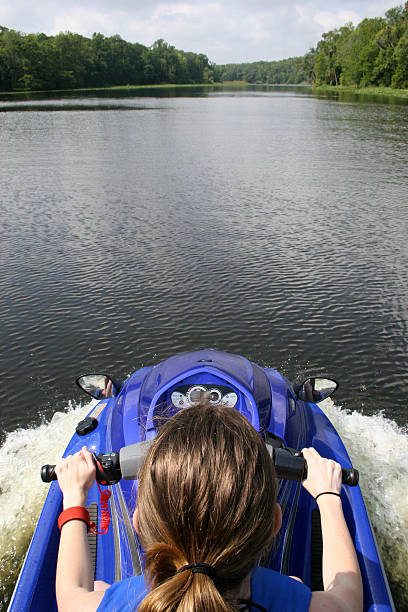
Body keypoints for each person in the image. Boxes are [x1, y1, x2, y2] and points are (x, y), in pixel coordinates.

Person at [54, 403, 363, 612]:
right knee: (296, 582)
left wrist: (73, 498)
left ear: (137, 522)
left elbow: (70, 595)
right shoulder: (286, 598)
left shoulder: (126, 601)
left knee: (97, 586)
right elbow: (347, 597)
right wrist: (327, 496)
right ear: (274, 523)